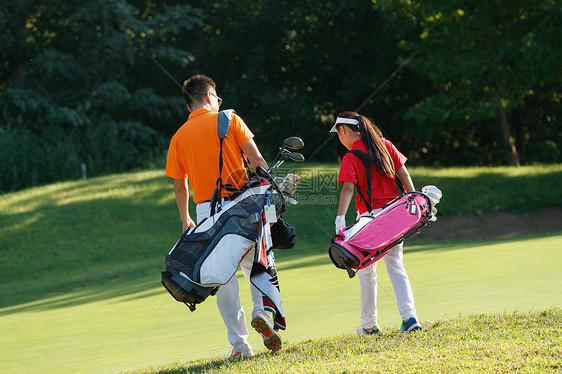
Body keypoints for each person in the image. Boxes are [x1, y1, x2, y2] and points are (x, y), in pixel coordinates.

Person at [165, 74, 281, 359]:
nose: (219, 102)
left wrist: (185, 219)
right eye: (217, 97)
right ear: (208, 97)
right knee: (257, 261)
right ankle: (263, 312)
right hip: (243, 203)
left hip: (206, 211)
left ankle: (240, 346)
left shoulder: (178, 137)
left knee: (222, 279)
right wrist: (271, 190)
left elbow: (180, 186)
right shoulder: (230, 120)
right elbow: (257, 161)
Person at [331, 111, 422, 335]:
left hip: (368, 221)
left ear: (343, 131)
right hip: (395, 218)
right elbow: (405, 176)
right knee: (396, 266)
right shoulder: (386, 146)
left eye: (338, 134)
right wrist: (414, 205)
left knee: (366, 271)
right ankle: (410, 319)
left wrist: (340, 219)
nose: (339, 138)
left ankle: (370, 325)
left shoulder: (351, 157)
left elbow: (348, 189)